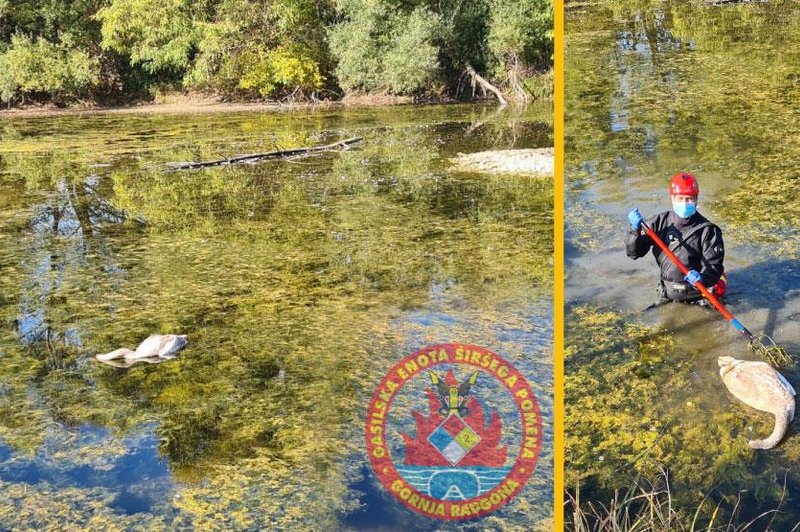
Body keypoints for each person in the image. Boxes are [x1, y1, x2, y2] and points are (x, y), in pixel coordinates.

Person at [626, 172, 726, 304]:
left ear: (696, 199)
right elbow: (634, 253)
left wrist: (702, 278)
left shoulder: (708, 230)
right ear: (673, 199)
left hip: (698, 294)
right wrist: (634, 231)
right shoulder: (658, 222)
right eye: (680, 199)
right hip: (667, 293)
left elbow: (714, 267)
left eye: (689, 199)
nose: (685, 203)